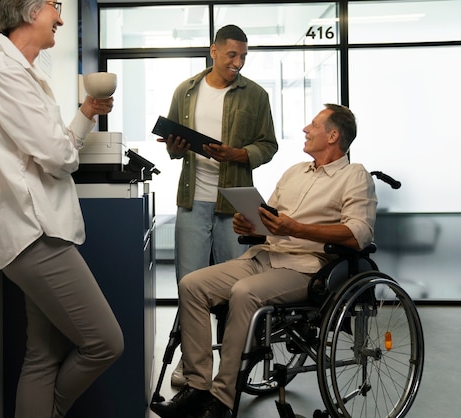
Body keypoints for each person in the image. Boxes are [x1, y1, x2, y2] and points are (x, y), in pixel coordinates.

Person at [150, 104, 377, 418]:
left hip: (307, 267)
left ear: (333, 135)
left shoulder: (355, 176)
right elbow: (270, 219)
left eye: (313, 125)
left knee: (245, 292)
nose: (305, 129)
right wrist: (250, 226)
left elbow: (359, 233)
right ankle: (197, 386)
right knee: (192, 284)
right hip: (264, 255)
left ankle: (222, 398)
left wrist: (294, 228)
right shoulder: (295, 171)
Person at [0, 1, 124, 417]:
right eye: (54, 7)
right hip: (35, 235)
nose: (60, 17)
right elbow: (58, 156)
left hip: (40, 232)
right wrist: (68, 136)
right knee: (106, 342)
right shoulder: (3, 73)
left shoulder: (25, 73)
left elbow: (56, 146)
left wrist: (86, 114)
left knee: (42, 356)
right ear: (27, 11)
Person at [157, 24, 279, 387]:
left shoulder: (255, 95)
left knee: (235, 288)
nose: (238, 63)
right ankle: (189, 362)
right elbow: (173, 147)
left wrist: (238, 154)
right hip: (193, 200)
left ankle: (232, 364)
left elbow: (268, 145)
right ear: (214, 51)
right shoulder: (186, 91)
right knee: (189, 285)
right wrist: (176, 147)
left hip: (235, 205)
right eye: (232, 55)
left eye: (243, 56)